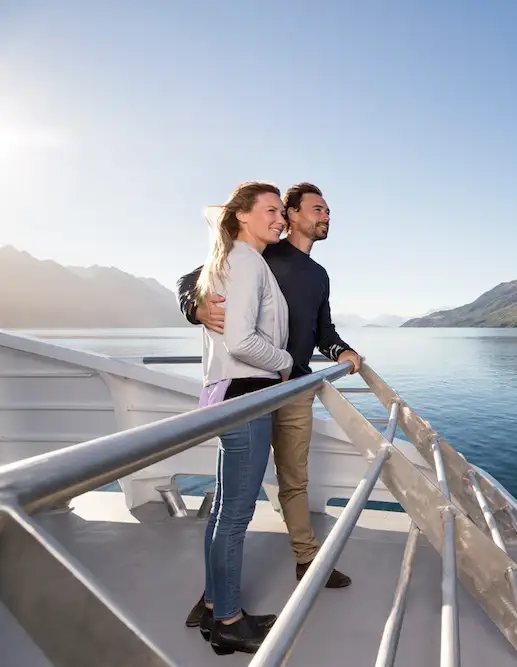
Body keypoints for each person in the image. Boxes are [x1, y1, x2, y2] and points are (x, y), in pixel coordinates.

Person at [177, 183, 362, 631]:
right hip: (253, 384)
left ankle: (305, 561)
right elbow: (192, 282)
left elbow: (324, 330)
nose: (327, 216)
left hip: (294, 386)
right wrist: (195, 309)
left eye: (329, 210)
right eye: (318, 208)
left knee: (292, 479)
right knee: (234, 500)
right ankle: (216, 599)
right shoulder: (260, 253)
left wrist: (342, 352)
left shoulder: (318, 276)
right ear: (294, 213)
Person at [195, 181, 292, 655]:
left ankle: (215, 605)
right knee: (235, 516)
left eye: (281, 211)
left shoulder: (228, 259)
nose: (280, 218)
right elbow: (241, 342)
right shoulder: (248, 261)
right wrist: (286, 363)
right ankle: (230, 621)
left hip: (224, 395)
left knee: (221, 511)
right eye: (271, 210)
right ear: (242, 217)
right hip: (248, 396)